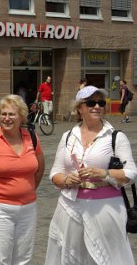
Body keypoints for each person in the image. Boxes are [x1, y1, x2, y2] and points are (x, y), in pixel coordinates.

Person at [45, 85, 137, 265]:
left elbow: (131, 173)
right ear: (80, 107)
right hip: (69, 207)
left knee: (107, 257)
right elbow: (55, 173)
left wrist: (104, 173)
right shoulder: (67, 136)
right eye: (91, 103)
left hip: (106, 209)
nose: (97, 106)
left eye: (101, 103)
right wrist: (66, 179)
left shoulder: (115, 137)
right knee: (70, 257)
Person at [0, 94, 45, 264]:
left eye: (11, 114)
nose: (7, 118)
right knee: (0, 259)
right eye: (3, 114)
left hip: (28, 208)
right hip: (0, 209)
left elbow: (39, 168)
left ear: (21, 116)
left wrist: (25, 190)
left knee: (23, 258)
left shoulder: (32, 138)